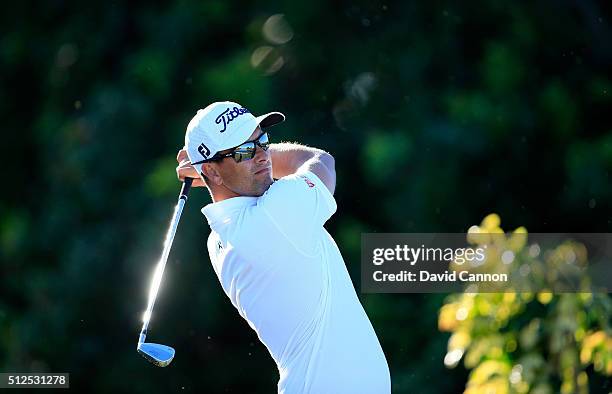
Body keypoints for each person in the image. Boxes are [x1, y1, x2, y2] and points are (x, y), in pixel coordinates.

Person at [176, 101, 391, 393]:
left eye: (262, 141)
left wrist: (213, 172)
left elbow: (249, 175)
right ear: (213, 172)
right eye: (244, 151)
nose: (263, 156)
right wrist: (206, 171)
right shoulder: (271, 218)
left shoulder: (220, 237)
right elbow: (320, 160)